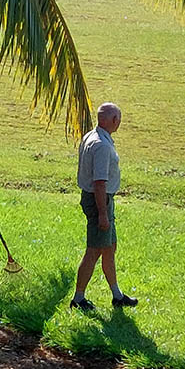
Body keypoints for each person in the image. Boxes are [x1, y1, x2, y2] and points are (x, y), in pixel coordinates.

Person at [70, 102, 138, 310]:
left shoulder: (92, 136)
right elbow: (99, 182)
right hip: (100, 201)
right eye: (118, 118)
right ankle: (78, 298)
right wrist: (102, 214)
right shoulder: (102, 146)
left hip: (99, 200)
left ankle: (117, 295)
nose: (119, 122)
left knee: (109, 248)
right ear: (113, 120)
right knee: (94, 250)